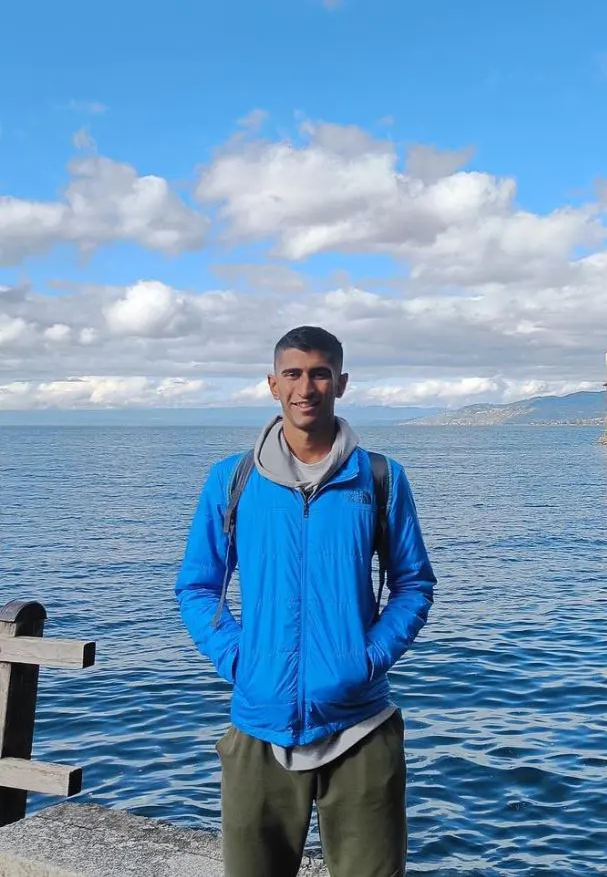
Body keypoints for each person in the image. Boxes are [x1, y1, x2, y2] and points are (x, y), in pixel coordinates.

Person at [176, 326, 436, 877]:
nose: (306, 387)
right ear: (273, 384)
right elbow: (198, 588)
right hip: (258, 724)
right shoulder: (233, 480)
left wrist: (365, 660)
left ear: (341, 382)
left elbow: (412, 584)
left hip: (361, 725)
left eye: (320, 373)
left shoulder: (381, 478)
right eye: (293, 374)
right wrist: (240, 659)